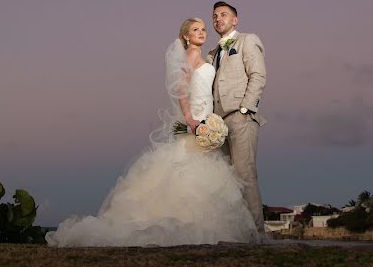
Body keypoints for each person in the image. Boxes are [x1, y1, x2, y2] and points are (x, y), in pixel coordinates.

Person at [46, 18, 259, 247]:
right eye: (195, 30)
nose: (202, 32)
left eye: (204, 29)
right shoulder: (187, 59)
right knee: (190, 176)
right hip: (195, 122)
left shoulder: (206, 58)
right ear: (185, 36)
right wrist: (189, 119)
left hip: (207, 121)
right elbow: (181, 91)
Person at [206, 1, 267, 233]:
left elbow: (258, 75)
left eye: (223, 14)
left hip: (241, 118)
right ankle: (238, 232)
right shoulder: (212, 54)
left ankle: (257, 234)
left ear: (235, 20)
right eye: (214, 16)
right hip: (218, 125)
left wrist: (245, 109)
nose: (218, 19)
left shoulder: (247, 40)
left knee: (245, 175)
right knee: (227, 180)